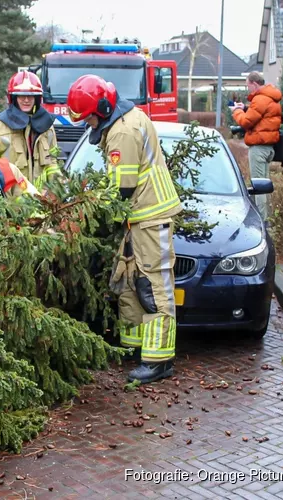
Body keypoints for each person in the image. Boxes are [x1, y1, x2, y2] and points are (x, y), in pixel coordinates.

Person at [67, 74, 183, 384]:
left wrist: (86, 212)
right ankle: (133, 348)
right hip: (138, 216)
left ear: (103, 108)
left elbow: (120, 189)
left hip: (148, 214)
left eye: (89, 117)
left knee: (155, 286)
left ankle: (159, 361)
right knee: (129, 282)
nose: (89, 124)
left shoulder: (123, 132)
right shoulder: (127, 119)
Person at [0, 71, 61, 189]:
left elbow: (53, 164)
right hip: (9, 203)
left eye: (30, 96)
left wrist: (57, 191)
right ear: (13, 97)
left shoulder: (47, 127)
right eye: (21, 95)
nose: (26, 100)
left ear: (37, 98)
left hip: (42, 201)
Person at [229, 71, 282, 221]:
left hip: (259, 148)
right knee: (265, 186)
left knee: (259, 189)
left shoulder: (260, 99)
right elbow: (262, 116)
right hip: (268, 147)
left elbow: (246, 122)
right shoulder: (271, 97)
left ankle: (261, 222)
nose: (248, 89)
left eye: (248, 86)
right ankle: (267, 218)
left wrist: (237, 111)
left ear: (254, 84)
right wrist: (246, 108)